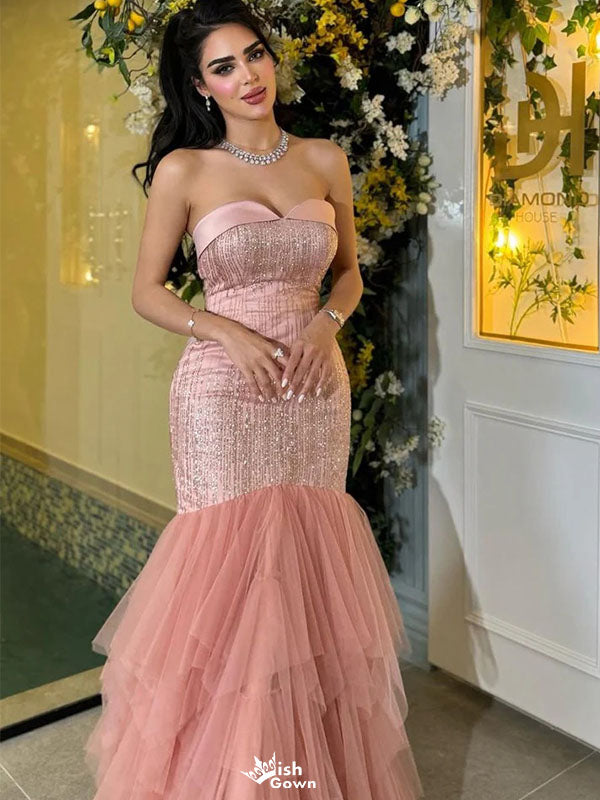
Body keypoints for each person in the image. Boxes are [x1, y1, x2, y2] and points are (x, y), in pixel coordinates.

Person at [84, 1, 424, 798]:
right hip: (222, 392)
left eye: (255, 54)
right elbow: (145, 292)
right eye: (224, 67)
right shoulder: (185, 171)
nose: (248, 76)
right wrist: (222, 332)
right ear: (201, 86)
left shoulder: (323, 159)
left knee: (308, 572)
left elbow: (349, 273)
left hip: (313, 388)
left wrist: (327, 325)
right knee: (227, 582)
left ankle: (299, 774)